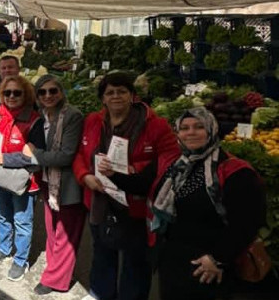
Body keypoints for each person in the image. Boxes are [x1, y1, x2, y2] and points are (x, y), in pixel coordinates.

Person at [98, 108, 266, 299]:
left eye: (199, 127)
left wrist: (218, 259)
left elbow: (248, 222)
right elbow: (143, 184)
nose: (191, 132)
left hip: (207, 263)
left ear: (212, 130)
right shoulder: (171, 161)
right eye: (184, 128)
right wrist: (113, 175)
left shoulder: (234, 171)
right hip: (171, 256)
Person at [72, 72, 180, 300]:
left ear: (132, 95)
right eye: (109, 92)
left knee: (135, 262)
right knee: (102, 253)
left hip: (136, 207)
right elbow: (80, 154)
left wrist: (135, 168)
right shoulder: (93, 121)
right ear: (102, 98)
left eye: (122, 91)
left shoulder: (155, 125)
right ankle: (101, 294)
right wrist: (85, 177)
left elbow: (170, 159)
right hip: (100, 201)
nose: (116, 96)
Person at [23, 75, 86, 295]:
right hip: (49, 181)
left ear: (61, 92)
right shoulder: (41, 116)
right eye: (42, 92)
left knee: (66, 234)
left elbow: (65, 156)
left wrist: (34, 154)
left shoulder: (73, 116)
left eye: (53, 91)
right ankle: (54, 267)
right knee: (52, 229)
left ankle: (56, 280)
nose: (48, 96)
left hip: (68, 183)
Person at [0, 75, 40, 281]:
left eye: (17, 92)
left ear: (26, 95)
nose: (12, 96)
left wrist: (4, 158)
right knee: (3, 214)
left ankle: (21, 260)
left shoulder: (34, 120)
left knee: (22, 221)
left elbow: (32, 155)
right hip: (0, 175)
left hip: (23, 180)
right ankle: (3, 248)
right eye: (7, 93)